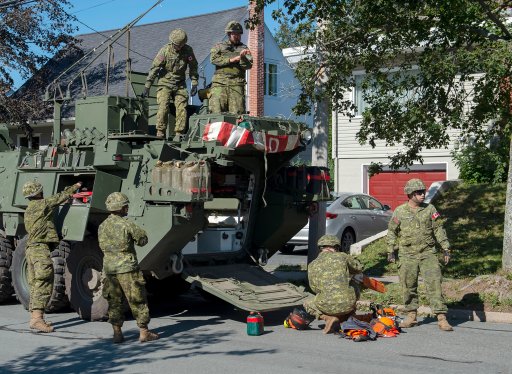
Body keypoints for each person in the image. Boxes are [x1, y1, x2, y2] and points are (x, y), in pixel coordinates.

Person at [386, 178, 453, 331]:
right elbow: (392, 231)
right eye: (419, 192)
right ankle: (411, 315)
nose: (423, 195)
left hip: (428, 253)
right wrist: (390, 250)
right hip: (407, 254)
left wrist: (445, 248)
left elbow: (438, 229)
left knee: (434, 284)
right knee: (408, 286)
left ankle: (441, 317)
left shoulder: (430, 209)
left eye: (423, 192)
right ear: (410, 194)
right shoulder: (400, 211)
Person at [98, 192, 159, 343]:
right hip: (127, 268)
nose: (127, 208)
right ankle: (144, 332)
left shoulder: (102, 226)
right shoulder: (127, 224)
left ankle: (117, 333)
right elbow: (142, 240)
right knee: (137, 299)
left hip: (109, 269)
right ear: (121, 207)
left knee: (114, 302)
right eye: (125, 205)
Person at [23, 179, 82, 333]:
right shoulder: (40, 205)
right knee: (43, 281)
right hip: (39, 248)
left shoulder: (30, 207)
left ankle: (36, 317)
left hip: (31, 249)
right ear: (38, 193)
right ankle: (37, 319)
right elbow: (59, 198)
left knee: (36, 283)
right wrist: (75, 186)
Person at [286, 235, 363, 334]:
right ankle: (348, 316)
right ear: (336, 247)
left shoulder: (312, 264)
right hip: (348, 303)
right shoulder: (342, 256)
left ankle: (328, 318)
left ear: (320, 248)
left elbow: (315, 289)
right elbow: (358, 268)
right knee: (354, 285)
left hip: (326, 305)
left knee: (307, 303)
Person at [143, 28, 198, 140]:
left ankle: (179, 133)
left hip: (180, 84)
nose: (178, 47)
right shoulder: (165, 51)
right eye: (177, 45)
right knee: (163, 106)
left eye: (181, 45)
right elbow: (154, 68)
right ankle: (160, 132)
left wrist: (194, 83)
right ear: (172, 43)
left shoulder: (188, 51)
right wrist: (147, 86)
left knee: (182, 107)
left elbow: (193, 67)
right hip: (165, 83)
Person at [209, 21, 253, 114]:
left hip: (236, 84)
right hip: (219, 84)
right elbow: (213, 59)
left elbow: (249, 65)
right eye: (234, 34)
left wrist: (242, 58)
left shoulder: (244, 49)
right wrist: (231, 60)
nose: (237, 36)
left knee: (237, 114)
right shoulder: (219, 47)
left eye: (239, 34)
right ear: (229, 34)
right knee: (216, 111)